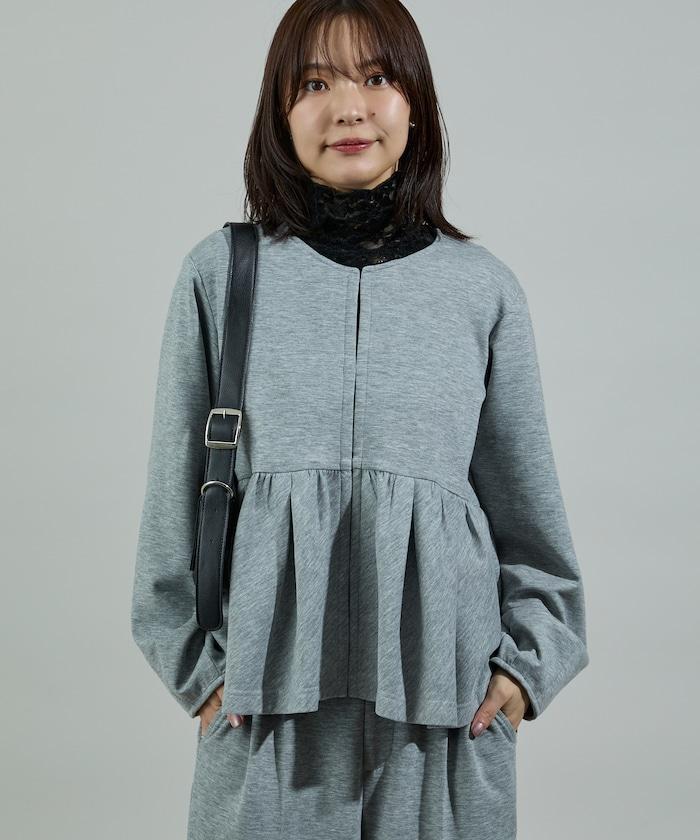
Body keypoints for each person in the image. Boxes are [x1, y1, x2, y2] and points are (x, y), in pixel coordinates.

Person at [130, 2, 590, 838]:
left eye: (376, 78)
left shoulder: (482, 289)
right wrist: (200, 676)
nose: (349, 107)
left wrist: (525, 673)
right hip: (265, 716)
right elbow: (172, 507)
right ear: (280, 112)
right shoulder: (220, 276)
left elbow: (534, 524)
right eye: (315, 84)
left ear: (415, 105)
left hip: (445, 724)